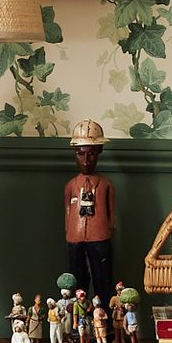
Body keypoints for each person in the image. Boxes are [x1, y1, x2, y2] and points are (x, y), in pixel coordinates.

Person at [64, 119, 116, 306]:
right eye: (81, 154)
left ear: (99, 152)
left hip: (100, 237)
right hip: (74, 238)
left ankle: (105, 319)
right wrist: (70, 233)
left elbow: (111, 215)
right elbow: (68, 212)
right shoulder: (71, 185)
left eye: (91, 154)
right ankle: (80, 319)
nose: (86, 160)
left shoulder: (106, 184)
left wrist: (107, 230)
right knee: (76, 279)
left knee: (103, 279)